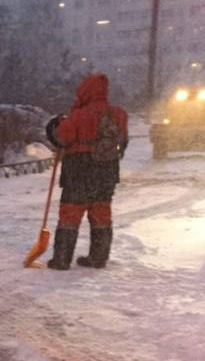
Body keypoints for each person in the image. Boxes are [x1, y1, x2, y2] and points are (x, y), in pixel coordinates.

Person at [45, 73, 129, 270]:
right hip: (107, 172)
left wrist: (52, 127)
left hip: (79, 171)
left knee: (70, 215)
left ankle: (62, 259)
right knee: (101, 213)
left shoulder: (79, 116)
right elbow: (123, 142)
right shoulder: (119, 114)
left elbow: (61, 139)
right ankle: (98, 258)